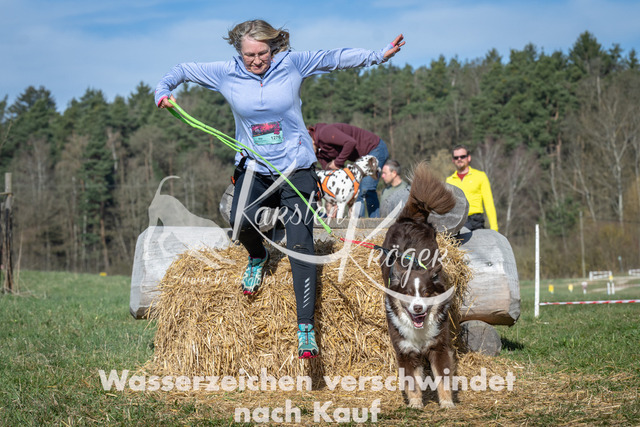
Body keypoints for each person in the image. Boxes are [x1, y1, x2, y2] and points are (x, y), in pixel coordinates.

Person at [154, 19, 405, 359]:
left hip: (296, 168)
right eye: (249, 55)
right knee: (240, 220)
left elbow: (334, 58)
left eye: (263, 53)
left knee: (301, 244)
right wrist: (163, 91)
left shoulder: (291, 64)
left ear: (273, 47)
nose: (257, 60)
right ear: (239, 52)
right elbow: (181, 70)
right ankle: (257, 256)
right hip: (253, 168)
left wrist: (377, 55)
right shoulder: (226, 72)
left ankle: (306, 328)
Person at [307, 123, 388, 218]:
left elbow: (350, 142)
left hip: (374, 148)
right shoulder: (319, 153)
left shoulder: (324, 133)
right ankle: (357, 222)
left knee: (366, 189)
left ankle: (373, 222)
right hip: (361, 159)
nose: (308, 152)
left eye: (306, 148)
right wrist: (332, 201)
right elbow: (330, 174)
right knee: (355, 190)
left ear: (309, 140)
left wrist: (337, 163)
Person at [445, 145, 498, 232]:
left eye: (462, 156)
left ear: (468, 158)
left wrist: (494, 228)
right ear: (453, 160)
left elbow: (489, 203)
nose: (459, 159)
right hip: (456, 221)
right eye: (456, 157)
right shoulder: (449, 180)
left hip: (475, 221)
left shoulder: (480, 176)